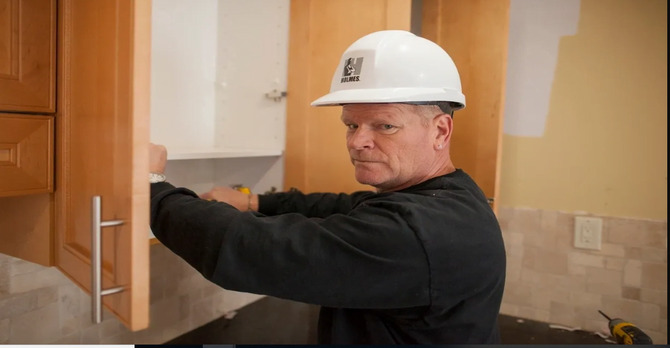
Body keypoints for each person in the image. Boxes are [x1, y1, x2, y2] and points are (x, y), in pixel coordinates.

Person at [149, 30, 506, 344]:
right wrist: (254, 200)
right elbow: (344, 206)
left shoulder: (415, 233)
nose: (357, 142)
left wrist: (151, 188)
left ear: (440, 131)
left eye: (384, 126)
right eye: (351, 125)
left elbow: (255, 250)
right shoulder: (449, 195)